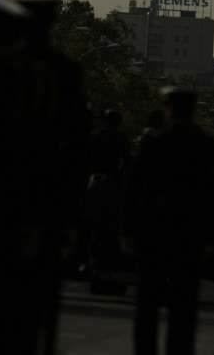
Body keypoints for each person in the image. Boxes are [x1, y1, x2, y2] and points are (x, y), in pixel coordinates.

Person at [123, 86, 214, 355]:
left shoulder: (155, 142)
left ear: (169, 111)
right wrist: (210, 238)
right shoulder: (205, 144)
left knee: (147, 306)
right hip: (189, 235)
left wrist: (129, 230)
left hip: (153, 232)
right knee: (183, 309)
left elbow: (134, 189)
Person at [86, 108, 132, 293]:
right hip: (112, 182)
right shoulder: (120, 138)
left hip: (93, 180)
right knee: (109, 223)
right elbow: (127, 161)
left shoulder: (95, 135)